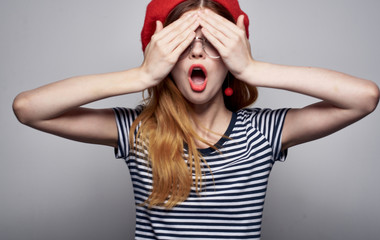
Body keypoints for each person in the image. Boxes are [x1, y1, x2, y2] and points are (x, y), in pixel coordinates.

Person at [12, 0, 379, 239]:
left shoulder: (263, 133)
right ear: (164, 60)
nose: (198, 50)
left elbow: (364, 98)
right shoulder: (140, 131)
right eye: (182, 42)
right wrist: (141, 75)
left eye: (213, 41)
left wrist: (253, 67)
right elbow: (28, 108)